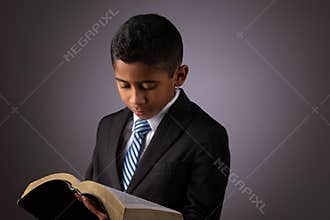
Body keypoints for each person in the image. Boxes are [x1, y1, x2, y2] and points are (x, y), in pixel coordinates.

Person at [81, 13, 230, 220]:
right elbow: (91, 195)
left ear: (179, 75)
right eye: (124, 85)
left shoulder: (207, 136)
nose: (135, 99)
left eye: (148, 86)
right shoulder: (107, 126)